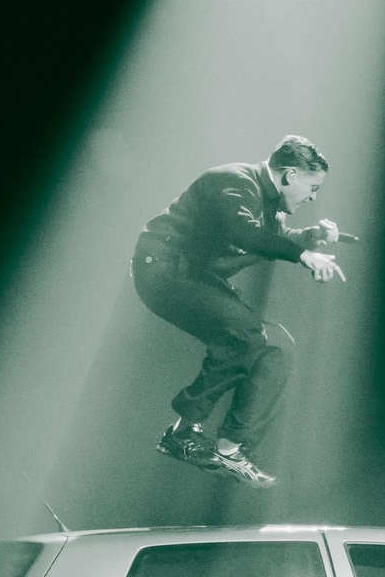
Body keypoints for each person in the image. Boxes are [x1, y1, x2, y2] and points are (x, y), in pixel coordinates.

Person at [132, 135, 346, 489]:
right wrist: (303, 256)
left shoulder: (268, 204)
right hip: (163, 268)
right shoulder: (234, 181)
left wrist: (311, 237)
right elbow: (243, 233)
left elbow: (274, 236)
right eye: (312, 187)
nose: (312, 197)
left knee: (277, 345)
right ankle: (183, 432)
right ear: (291, 175)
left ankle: (230, 449)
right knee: (245, 332)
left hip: (195, 275)